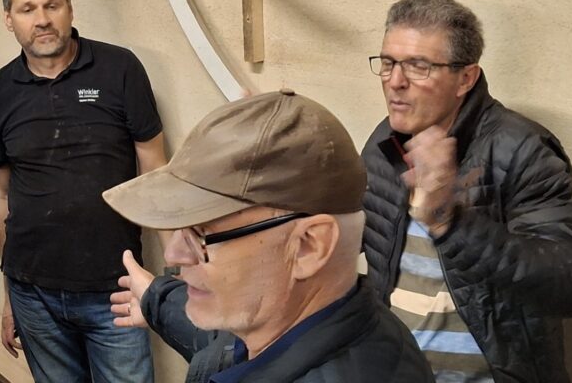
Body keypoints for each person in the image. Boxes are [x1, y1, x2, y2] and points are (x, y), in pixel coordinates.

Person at [103, 90, 435, 382]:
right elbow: (224, 346)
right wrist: (154, 298)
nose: (174, 254)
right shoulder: (288, 328)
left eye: (201, 233)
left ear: (308, 246)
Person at [363, 0, 572, 381]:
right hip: (396, 370)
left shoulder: (522, 149)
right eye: (388, 62)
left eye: (418, 66)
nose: (395, 82)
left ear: (466, 78)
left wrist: (449, 221)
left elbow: (563, 284)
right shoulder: (383, 141)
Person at [0, 0, 166, 382]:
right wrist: (9, 294)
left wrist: (170, 279)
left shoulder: (119, 69)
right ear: (8, 19)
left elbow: (156, 171)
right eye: (27, 9)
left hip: (115, 289)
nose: (42, 20)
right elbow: (1, 193)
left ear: (70, 9)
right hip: (33, 295)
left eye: (52, 5)